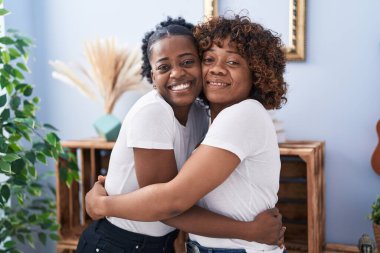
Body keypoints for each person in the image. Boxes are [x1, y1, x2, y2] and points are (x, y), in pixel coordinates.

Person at [76, 17, 285, 253]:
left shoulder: (239, 114)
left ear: (257, 71)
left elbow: (169, 203)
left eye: (233, 62)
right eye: (209, 59)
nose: (217, 68)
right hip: (121, 243)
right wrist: (248, 230)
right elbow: (168, 203)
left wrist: (102, 205)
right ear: (153, 76)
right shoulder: (186, 112)